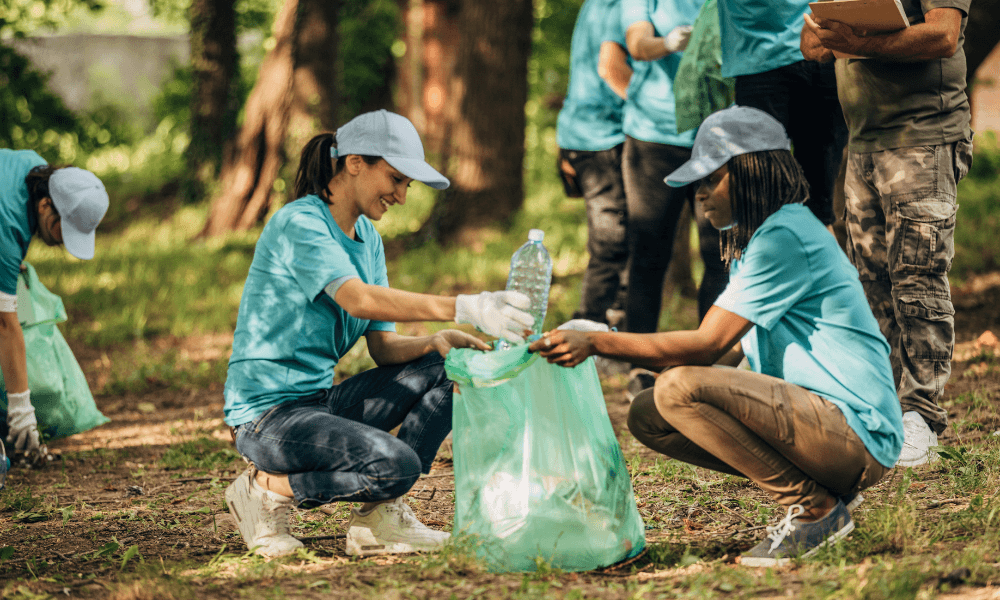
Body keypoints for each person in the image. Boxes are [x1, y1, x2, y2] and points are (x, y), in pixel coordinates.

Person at [529, 106, 902, 566]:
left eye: (710, 180)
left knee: (677, 390)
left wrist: (603, 341)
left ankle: (814, 509)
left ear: (750, 171)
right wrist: (617, 347)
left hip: (856, 433)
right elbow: (723, 359)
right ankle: (824, 491)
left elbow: (707, 344)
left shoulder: (785, 234)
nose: (700, 195)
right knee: (650, 412)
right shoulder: (760, 242)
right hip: (827, 429)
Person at [222, 110, 534, 559]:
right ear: (354, 163)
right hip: (267, 418)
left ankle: (378, 519)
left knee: (452, 366)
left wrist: (435, 341)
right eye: (396, 178)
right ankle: (265, 488)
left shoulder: (367, 238)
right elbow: (359, 300)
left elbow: (383, 346)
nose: (402, 196)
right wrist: (464, 306)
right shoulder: (300, 223)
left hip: (318, 404)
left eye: (408, 184)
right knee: (395, 464)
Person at [802, 0, 973, 467]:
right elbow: (812, 46)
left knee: (917, 275)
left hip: (923, 136)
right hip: (863, 143)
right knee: (871, 282)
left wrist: (860, 44)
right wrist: (831, 33)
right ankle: (886, 410)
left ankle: (922, 415)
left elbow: (942, 35)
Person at [619, 0, 729, 399]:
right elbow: (637, 44)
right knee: (649, 253)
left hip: (716, 137)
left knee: (719, 252)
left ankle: (708, 362)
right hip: (654, 136)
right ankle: (640, 367)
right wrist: (667, 42)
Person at [0, 150, 110, 464]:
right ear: (46, 205)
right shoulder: (7, 227)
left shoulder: (35, 169)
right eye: (63, 229)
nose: (63, 241)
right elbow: (5, 325)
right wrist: (21, 408)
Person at [715, 0, 848, 229]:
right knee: (758, 200)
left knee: (819, 203)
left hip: (821, 56)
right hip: (759, 63)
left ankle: (815, 260)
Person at [556, 0, 632, 328]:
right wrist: (657, 113)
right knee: (612, 243)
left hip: (586, 134)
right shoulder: (618, 6)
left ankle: (613, 331)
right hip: (599, 137)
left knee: (625, 240)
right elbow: (610, 69)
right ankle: (588, 330)